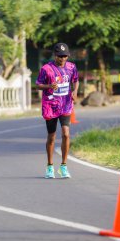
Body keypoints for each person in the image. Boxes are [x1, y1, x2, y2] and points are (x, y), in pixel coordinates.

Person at [36, 43, 79, 179]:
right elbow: (38, 85)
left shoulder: (71, 67)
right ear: (55, 55)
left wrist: (75, 91)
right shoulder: (46, 69)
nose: (62, 59)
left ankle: (64, 166)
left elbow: (76, 80)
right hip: (51, 105)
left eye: (65, 56)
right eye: (60, 56)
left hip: (66, 104)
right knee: (52, 136)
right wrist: (49, 85)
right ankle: (49, 166)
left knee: (66, 134)